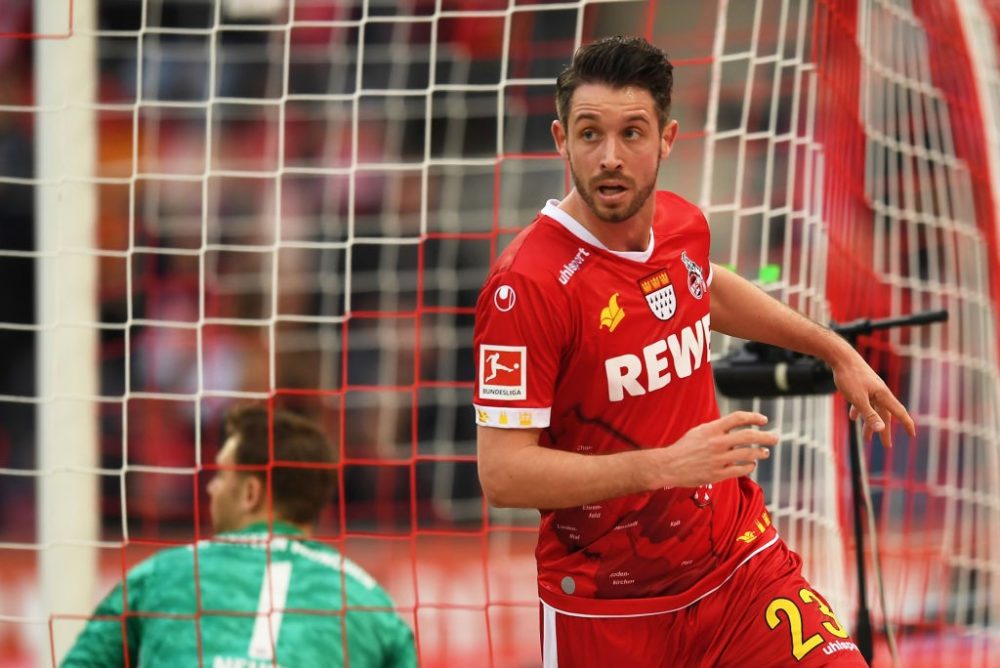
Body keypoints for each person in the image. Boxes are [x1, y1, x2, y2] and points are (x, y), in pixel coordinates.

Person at [473, 35, 915, 667]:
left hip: (739, 566)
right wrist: (665, 465)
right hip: (610, 606)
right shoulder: (526, 287)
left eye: (632, 133)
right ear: (560, 140)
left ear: (667, 138)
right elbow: (503, 473)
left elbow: (705, 285)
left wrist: (833, 347)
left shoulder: (683, 224)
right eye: (590, 134)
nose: (610, 157)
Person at [62, 405, 416, 667]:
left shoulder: (162, 574)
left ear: (250, 493)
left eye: (221, 475)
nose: (211, 488)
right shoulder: (368, 602)